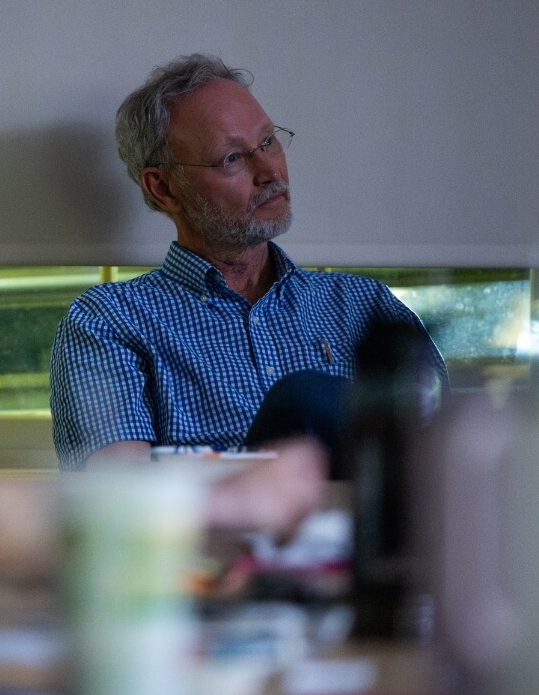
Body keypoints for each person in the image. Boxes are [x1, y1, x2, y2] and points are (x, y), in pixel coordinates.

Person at [50, 53, 445, 474]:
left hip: (371, 534)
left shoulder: (366, 308)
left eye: (268, 141)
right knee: (306, 398)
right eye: (232, 158)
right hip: (216, 538)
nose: (269, 170)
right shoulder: (109, 322)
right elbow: (121, 505)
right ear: (163, 188)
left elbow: (444, 469)